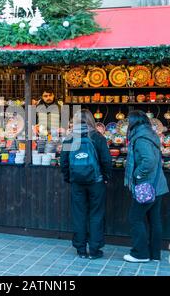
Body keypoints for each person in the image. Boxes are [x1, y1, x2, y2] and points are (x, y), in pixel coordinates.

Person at [60, 109, 112, 259]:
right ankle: (95, 250)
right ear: (91, 120)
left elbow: (63, 162)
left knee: (79, 214)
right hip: (96, 182)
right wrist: (106, 176)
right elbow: (106, 161)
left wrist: (68, 177)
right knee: (96, 214)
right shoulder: (97, 137)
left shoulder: (69, 138)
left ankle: (81, 249)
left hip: (77, 182)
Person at [123, 110, 169, 263]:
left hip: (146, 186)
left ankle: (140, 254)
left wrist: (137, 174)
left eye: (129, 122)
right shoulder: (150, 134)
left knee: (135, 218)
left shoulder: (141, 138)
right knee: (154, 219)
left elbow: (148, 161)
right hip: (157, 186)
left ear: (134, 123)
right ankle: (154, 254)